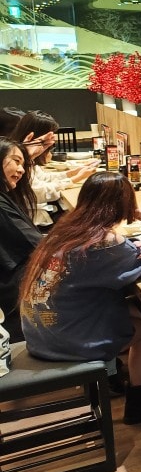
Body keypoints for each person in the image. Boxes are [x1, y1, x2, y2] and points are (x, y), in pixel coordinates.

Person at [19, 172, 141, 424]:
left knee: (136, 310)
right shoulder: (105, 242)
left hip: (40, 334)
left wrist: (133, 246)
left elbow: (113, 259)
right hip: (68, 341)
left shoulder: (65, 232)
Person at [11, 110, 98, 227]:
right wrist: (75, 178)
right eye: (46, 138)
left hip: (39, 213)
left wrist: (73, 173)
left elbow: (42, 178)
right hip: (34, 220)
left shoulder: (26, 156)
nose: (51, 142)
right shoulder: (17, 159)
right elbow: (39, 193)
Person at [1, 139, 42, 342]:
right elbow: (38, 245)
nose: (22, 170)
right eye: (16, 161)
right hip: (13, 293)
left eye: (24, 164)